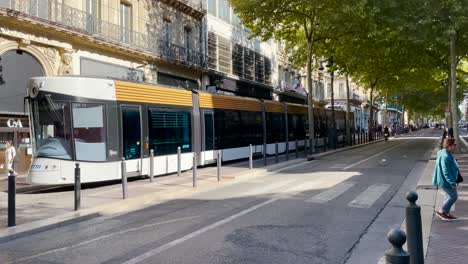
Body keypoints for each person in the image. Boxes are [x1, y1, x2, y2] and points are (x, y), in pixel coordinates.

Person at [432, 138, 459, 220]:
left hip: (445, 180)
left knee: (448, 196)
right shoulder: (445, 156)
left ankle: (446, 213)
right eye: (454, 145)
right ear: (449, 146)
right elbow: (445, 171)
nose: (455, 146)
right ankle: (442, 211)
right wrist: (452, 183)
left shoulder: (447, 153)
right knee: (453, 196)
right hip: (445, 181)